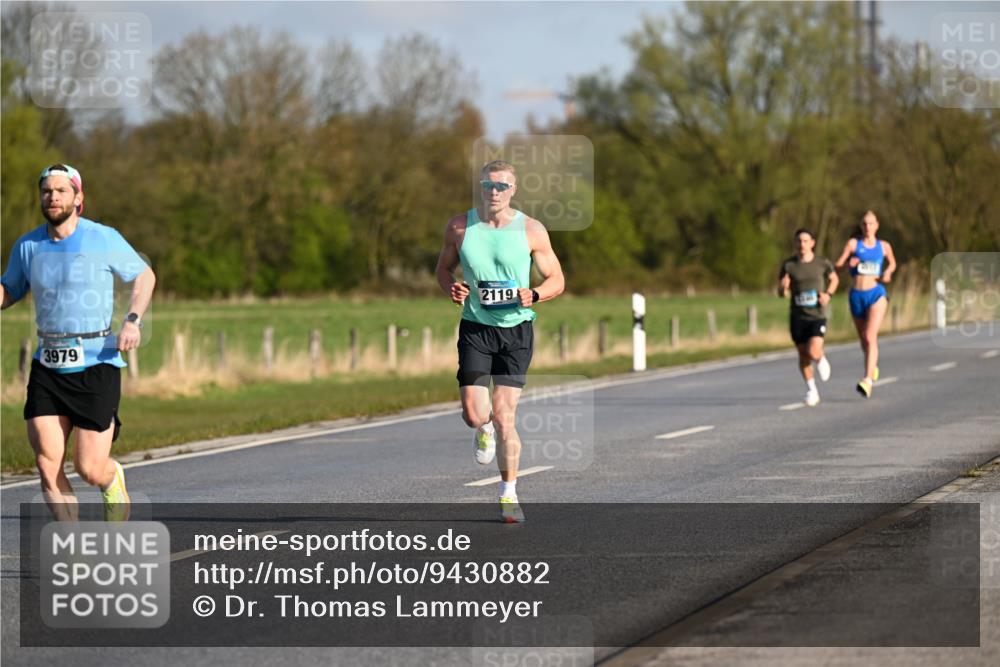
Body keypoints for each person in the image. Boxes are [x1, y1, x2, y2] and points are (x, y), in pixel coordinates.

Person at [0, 164, 155, 521]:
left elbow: (144, 276)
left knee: (88, 467)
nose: (52, 196)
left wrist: (132, 320)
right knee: (46, 464)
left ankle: (111, 478)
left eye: (60, 190)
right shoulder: (28, 245)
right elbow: (9, 290)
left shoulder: (102, 238)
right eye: (46, 191)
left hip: (96, 363)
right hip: (48, 365)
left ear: (78, 197)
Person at [435, 160, 565, 523]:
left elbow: (556, 278)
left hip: (516, 331)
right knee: (475, 414)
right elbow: (443, 268)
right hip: (476, 328)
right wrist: (453, 288)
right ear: (481, 188)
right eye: (488, 186)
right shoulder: (460, 227)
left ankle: (509, 493)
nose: (494, 193)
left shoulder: (531, 230)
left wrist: (535, 295)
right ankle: (484, 428)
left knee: (507, 416)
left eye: (502, 187)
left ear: (513, 190)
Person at [834, 210, 897, 398]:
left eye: (871, 223)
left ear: (877, 225)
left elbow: (892, 264)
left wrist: (887, 273)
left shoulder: (884, 246)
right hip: (856, 295)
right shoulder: (854, 245)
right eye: (864, 224)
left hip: (876, 293)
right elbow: (837, 266)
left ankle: (867, 381)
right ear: (861, 226)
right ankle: (873, 365)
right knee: (864, 339)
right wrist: (848, 264)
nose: (868, 227)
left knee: (870, 335)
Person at [778, 228, 838, 407]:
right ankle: (811, 390)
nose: (801, 245)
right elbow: (782, 293)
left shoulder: (822, 263)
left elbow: (834, 279)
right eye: (798, 241)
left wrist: (828, 294)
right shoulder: (789, 265)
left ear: (812, 243)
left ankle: (820, 358)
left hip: (817, 315)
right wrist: (783, 287)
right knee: (803, 355)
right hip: (798, 317)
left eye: (805, 241)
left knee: (813, 351)